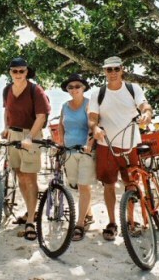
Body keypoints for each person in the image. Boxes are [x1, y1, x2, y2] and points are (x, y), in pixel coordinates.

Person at [88, 56, 153, 241]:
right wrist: (95, 128)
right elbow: (92, 117)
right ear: (104, 72)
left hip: (130, 145)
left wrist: (146, 113)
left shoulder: (133, 89)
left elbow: (144, 105)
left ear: (122, 69)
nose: (113, 73)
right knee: (108, 185)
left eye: (116, 69)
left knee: (131, 185)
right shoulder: (98, 93)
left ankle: (131, 221)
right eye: (109, 70)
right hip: (105, 146)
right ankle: (112, 222)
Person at [1, 57, 51, 241]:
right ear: (10, 72)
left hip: (31, 135)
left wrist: (30, 137)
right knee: (19, 175)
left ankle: (31, 220)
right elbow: (7, 111)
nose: (18, 74)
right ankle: (31, 211)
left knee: (30, 177)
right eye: (15, 71)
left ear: (27, 72)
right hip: (13, 135)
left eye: (22, 71)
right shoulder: (7, 89)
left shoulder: (35, 90)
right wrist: (5, 128)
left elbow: (41, 116)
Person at [58, 73, 97, 241]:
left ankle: (79, 224)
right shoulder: (65, 106)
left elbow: (94, 125)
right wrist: (60, 143)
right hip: (69, 151)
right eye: (70, 87)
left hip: (85, 152)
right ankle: (89, 214)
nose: (74, 89)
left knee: (84, 186)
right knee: (75, 185)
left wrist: (89, 144)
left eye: (77, 86)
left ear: (83, 88)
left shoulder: (89, 105)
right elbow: (60, 125)